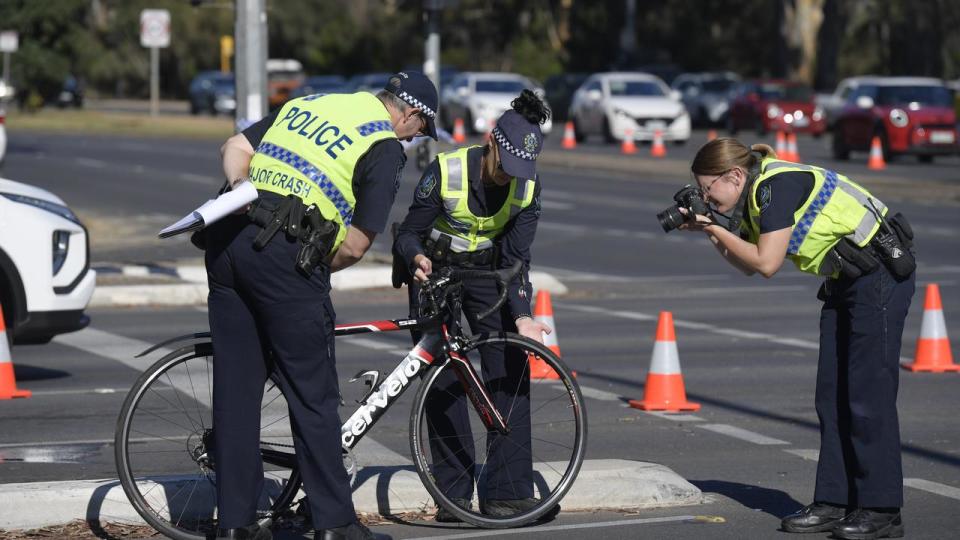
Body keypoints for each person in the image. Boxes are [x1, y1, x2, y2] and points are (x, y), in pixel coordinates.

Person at [205, 71, 438, 540]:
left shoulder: (312, 102)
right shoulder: (383, 145)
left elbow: (235, 146)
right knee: (313, 397)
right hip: (284, 259)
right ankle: (336, 524)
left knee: (235, 394)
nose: (416, 142)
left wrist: (240, 189)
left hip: (227, 238)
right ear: (410, 114)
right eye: (421, 131)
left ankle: (236, 526)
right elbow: (354, 245)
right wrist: (307, 267)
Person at [678, 138, 915, 540]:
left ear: (734, 175)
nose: (706, 197)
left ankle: (880, 509)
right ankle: (834, 501)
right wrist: (711, 230)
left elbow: (766, 263)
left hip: (878, 278)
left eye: (707, 189)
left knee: (866, 396)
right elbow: (746, 265)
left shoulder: (774, 187)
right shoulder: (755, 194)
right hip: (846, 281)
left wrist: (713, 225)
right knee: (831, 395)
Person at [393, 89, 557, 523]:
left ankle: (508, 492)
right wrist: (415, 258)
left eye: (522, 170)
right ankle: (454, 495)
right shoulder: (444, 170)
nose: (510, 177)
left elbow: (516, 260)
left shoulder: (527, 187)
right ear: (490, 143)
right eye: (506, 167)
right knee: (445, 376)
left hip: (488, 274)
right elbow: (408, 231)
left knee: (509, 367)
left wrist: (523, 316)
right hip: (436, 270)